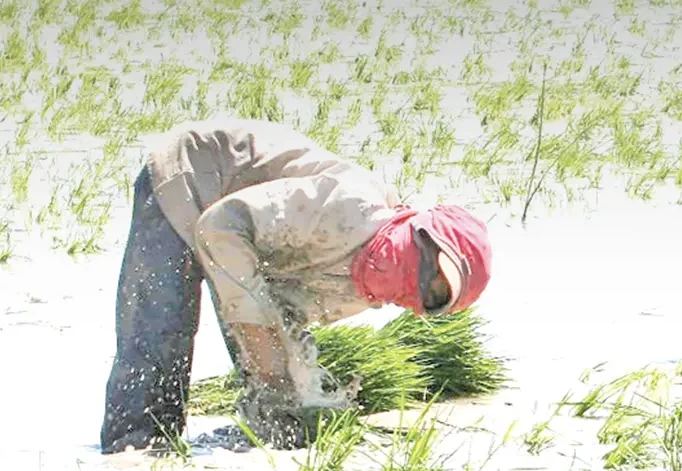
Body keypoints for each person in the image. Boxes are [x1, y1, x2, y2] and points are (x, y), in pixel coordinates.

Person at [100, 118, 492, 453]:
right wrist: (260, 340)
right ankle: (134, 451)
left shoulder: (364, 291)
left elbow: (284, 313)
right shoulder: (350, 206)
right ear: (418, 228)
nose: (420, 285)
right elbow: (221, 226)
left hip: (247, 242)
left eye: (435, 295)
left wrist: (299, 388)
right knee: (161, 340)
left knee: (279, 411)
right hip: (189, 178)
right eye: (431, 268)